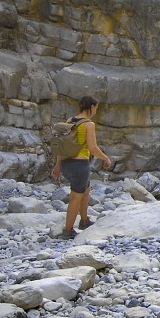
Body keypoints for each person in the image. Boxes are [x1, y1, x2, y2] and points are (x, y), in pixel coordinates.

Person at [51, 95, 112, 238]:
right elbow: (92, 147)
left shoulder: (69, 121)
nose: (96, 111)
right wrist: (105, 158)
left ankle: (84, 221)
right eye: (96, 108)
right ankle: (68, 230)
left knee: (86, 189)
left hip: (66, 164)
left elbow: (62, 146)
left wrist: (58, 165)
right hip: (79, 165)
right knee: (75, 197)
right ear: (91, 107)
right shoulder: (88, 124)